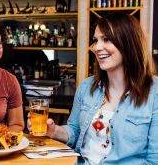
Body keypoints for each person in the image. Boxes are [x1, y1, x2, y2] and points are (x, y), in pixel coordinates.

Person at [29, 12, 158, 164]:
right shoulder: (86, 87)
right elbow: (75, 131)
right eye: (95, 41)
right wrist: (54, 130)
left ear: (128, 42)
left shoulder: (154, 93)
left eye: (106, 39)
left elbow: (154, 159)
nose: (97, 47)